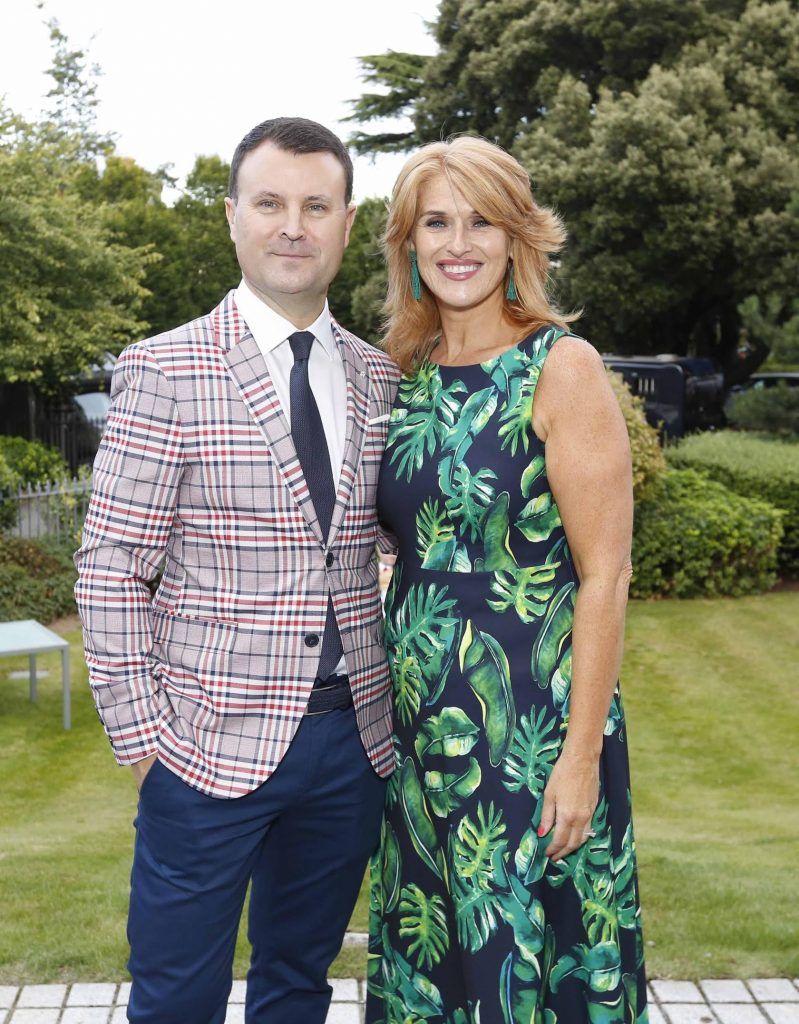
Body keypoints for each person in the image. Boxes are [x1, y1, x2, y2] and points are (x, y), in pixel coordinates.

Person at [75, 117, 400, 1024]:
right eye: (269, 203)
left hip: (350, 750)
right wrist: (146, 745)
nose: (291, 225)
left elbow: (371, 545)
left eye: (315, 206)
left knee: (298, 988)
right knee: (177, 999)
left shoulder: (380, 380)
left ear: (344, 224)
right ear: (232, 217)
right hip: (201, 750)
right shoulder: (165, 369)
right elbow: (110, 568)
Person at [367, 136, 648, 1023]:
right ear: (407, 245)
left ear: (517, 237)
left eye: (480, 221)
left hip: (529, 730)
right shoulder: (401, 379)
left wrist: (576, 761)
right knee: (437, 969)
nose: (458, 243)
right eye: (436, 222)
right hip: (420, 741)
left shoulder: (560, 367)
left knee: (528, 963)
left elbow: (604, 575)